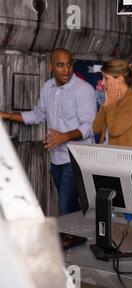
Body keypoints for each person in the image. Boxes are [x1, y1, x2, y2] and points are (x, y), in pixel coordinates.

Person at [0, 48, 96, 215]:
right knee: (71, 206)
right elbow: (38, 115)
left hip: (77, 159)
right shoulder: (48, 88)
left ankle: (73, 239)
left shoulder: (83, 90)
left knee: (66, 207)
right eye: (60, 65)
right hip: (56, 158)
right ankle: (79, 236)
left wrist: (64, 136)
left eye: (69, 64)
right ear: (51, 67)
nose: (66, 70)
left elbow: (90, 126)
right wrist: (6, 115)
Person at [92, 59, 132, 147]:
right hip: (107, 156)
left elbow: (114, 130)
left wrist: (111, 104)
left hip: (124, 158)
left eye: (106, 78)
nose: (102, 82)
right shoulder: (111, 99)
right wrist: (106, 104)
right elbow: (96, 128)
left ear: (120, 79)